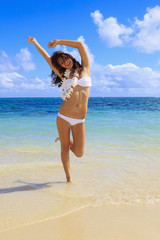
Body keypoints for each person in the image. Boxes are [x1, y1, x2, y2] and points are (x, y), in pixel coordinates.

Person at [27, 37, 91, 182]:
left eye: (65, 58)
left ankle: (66, 138)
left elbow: (80, 45)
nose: (65, 62)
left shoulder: (85, 68)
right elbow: (47, 58)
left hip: (79, 119)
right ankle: (69, 178)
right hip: (63, 116)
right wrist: (35, 42)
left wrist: (58, 42)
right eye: (62, 63)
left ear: (70, 57)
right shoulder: (64, 75)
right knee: (64, 149)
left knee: (79, 153)